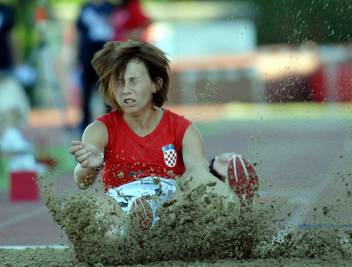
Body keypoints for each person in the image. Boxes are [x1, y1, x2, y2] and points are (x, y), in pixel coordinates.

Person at [68, 40, 259, 229]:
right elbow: (82, 183)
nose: (126, 89)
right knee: (103, 207)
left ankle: (236, 210)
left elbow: (197, 173)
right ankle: (136, 223)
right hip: (121, 205)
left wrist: (215, 186)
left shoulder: (182, 129)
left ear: (155, 84)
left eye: (134, 81)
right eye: (119, 82)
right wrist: (89, 166)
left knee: (198, 181)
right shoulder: (99, 130)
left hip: (170, 207)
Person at [76, 0, 114, 132]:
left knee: (107, 92)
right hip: (87, 58)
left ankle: (110, 123)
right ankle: (84, 124)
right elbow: (79, 34)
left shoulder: (110, 8)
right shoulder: (85, 8)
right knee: (86, 93)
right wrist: (78, 57)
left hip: (105, 58)